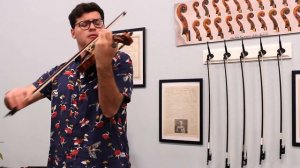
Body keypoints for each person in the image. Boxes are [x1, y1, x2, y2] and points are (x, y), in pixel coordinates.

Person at [4, 2, 133, 167]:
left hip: (104, 162)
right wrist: (13, 97)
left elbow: (110, 109)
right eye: (84, 24)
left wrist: (103, 63)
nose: (92, 27)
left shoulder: (120, 61)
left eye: (97, 22)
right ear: (73, 32)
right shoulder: (61, 71)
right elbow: (25, 95)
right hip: (62, 162)